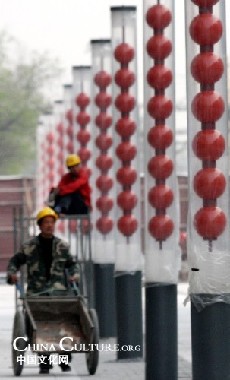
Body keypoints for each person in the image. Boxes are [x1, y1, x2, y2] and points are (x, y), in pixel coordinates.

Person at [7, 206, 80, 374]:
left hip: (59, 293)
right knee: (39, 325)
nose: (49, 225)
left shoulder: (62, 246)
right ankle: (45, 363)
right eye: (45, 222)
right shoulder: (29, 247)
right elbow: (14, 262)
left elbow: (72, 265)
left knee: (64, 325)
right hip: (36, 293)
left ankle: (64, 361)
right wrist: (12, 274)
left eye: (51, 222)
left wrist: (74, 275)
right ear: (39, 225)